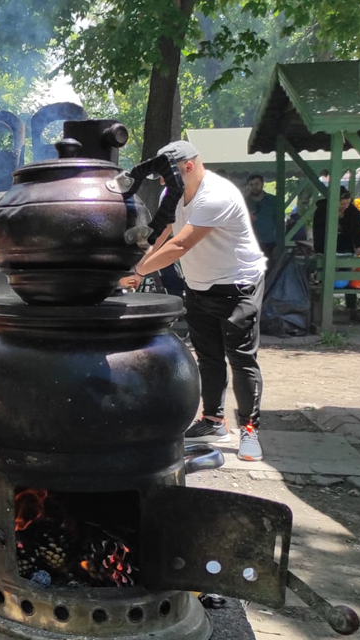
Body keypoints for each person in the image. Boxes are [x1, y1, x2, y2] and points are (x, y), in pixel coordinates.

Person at [120, 141, 267, 462]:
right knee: (208, 356)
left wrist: (139, 269)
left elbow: (180, 245)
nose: (162, 183)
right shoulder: (171, 193)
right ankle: (213, 421)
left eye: (165, 175)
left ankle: (250, 429)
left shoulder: (217, 196)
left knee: (240, 358)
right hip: (199, 285)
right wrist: (139, 267)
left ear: (187, 166)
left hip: (237, 284)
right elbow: (161, 236)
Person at [312, 187, 360, 318]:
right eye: (342, 203)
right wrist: (319, 250)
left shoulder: (353, 212)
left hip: (346, 249)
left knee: (348, 277)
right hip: (326, 248)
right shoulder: (321, 212)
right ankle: (324, 311)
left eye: (348, 203)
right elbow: (318, 232)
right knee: (324, 278)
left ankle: (351, 308)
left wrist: (359, 246)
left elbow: (359, 230)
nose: (345, 206)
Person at [244, 174, 279, 259]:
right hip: (251, 243)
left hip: (271, 243)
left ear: (262, 184)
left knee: (272, 269)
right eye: (251, 185)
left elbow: (279, 222)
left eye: (257, 184)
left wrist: (279, 244)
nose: (254, 187)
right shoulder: (243, 202)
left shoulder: (273, 201)